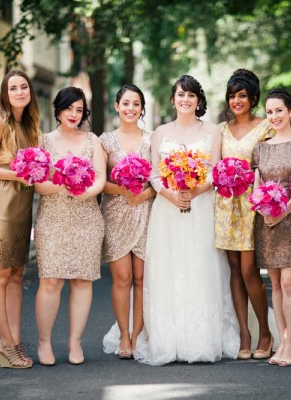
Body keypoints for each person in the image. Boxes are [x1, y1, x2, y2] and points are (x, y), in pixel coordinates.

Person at [133, 75, 239, 365]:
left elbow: (216, 171)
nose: (186, 100)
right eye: (181, 95)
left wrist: (194, 191)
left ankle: (201, 338)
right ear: (173, 99)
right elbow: (155, 173)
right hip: (167, 209)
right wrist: (170, 195)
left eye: (191, 96)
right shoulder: (160, 132)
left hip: (201, 206)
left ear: (198, 100)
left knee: (200, 266)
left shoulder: (213, 131)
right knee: (169, 268)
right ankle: (169, 338)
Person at [33, 87, 106, 366]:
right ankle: (44, 342)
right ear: (58, 109)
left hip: (86, 217)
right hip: (52, 217)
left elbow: (100, 178)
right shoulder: (43, 141)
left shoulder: (91, 140)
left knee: (82, 280)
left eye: (79, 109)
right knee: (50, 280)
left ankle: (75, 342)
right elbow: (37, 183)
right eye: (69, 108)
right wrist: (63, 182)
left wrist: (84, 191)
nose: (74, 114)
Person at [0, 70, 40, 368]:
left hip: (22, 204)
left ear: (29, 92)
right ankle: (4, 343)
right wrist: (18, 173)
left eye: (23, 87)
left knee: (16, 274)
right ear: (5, 93)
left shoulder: (29, 125)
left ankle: (15, 340)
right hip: (1, 204)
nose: (19, 92)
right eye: (13, 88)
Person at [252, 88, 291, 367]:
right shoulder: (261, 147)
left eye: (279, 110)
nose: (274, 116)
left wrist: (283, 211)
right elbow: (256, 185)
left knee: (290, 283)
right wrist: (264, 209)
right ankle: (282, 340)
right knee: (275, 285)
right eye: (269, 112)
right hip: (267, 220)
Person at [214, 69, 273, 360]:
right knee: (234, 270)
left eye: (242, 95)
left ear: (252, 98)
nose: (236, 101)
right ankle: (244, 333)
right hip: (226, 205)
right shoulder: (221, 129)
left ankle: (264, 330)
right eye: (232, 95)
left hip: (252, 204)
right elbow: (214, 165)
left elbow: (270, 164)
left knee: (250, 271)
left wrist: (251, 178)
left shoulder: (265, 128)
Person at [100, 84, 155, 358]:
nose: (131, 108)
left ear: (141, 108)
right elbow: (100, 182)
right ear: (117, 106)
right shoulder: (106, 140)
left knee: (142, 278)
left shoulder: (152, 138)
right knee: (122, 278)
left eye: (136, 104)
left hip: (145, 211)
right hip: (116, 212)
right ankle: (123, 336)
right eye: (126, 103)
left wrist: (144, 192)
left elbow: (160, 179)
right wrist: (124, 189)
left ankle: (138, 335)